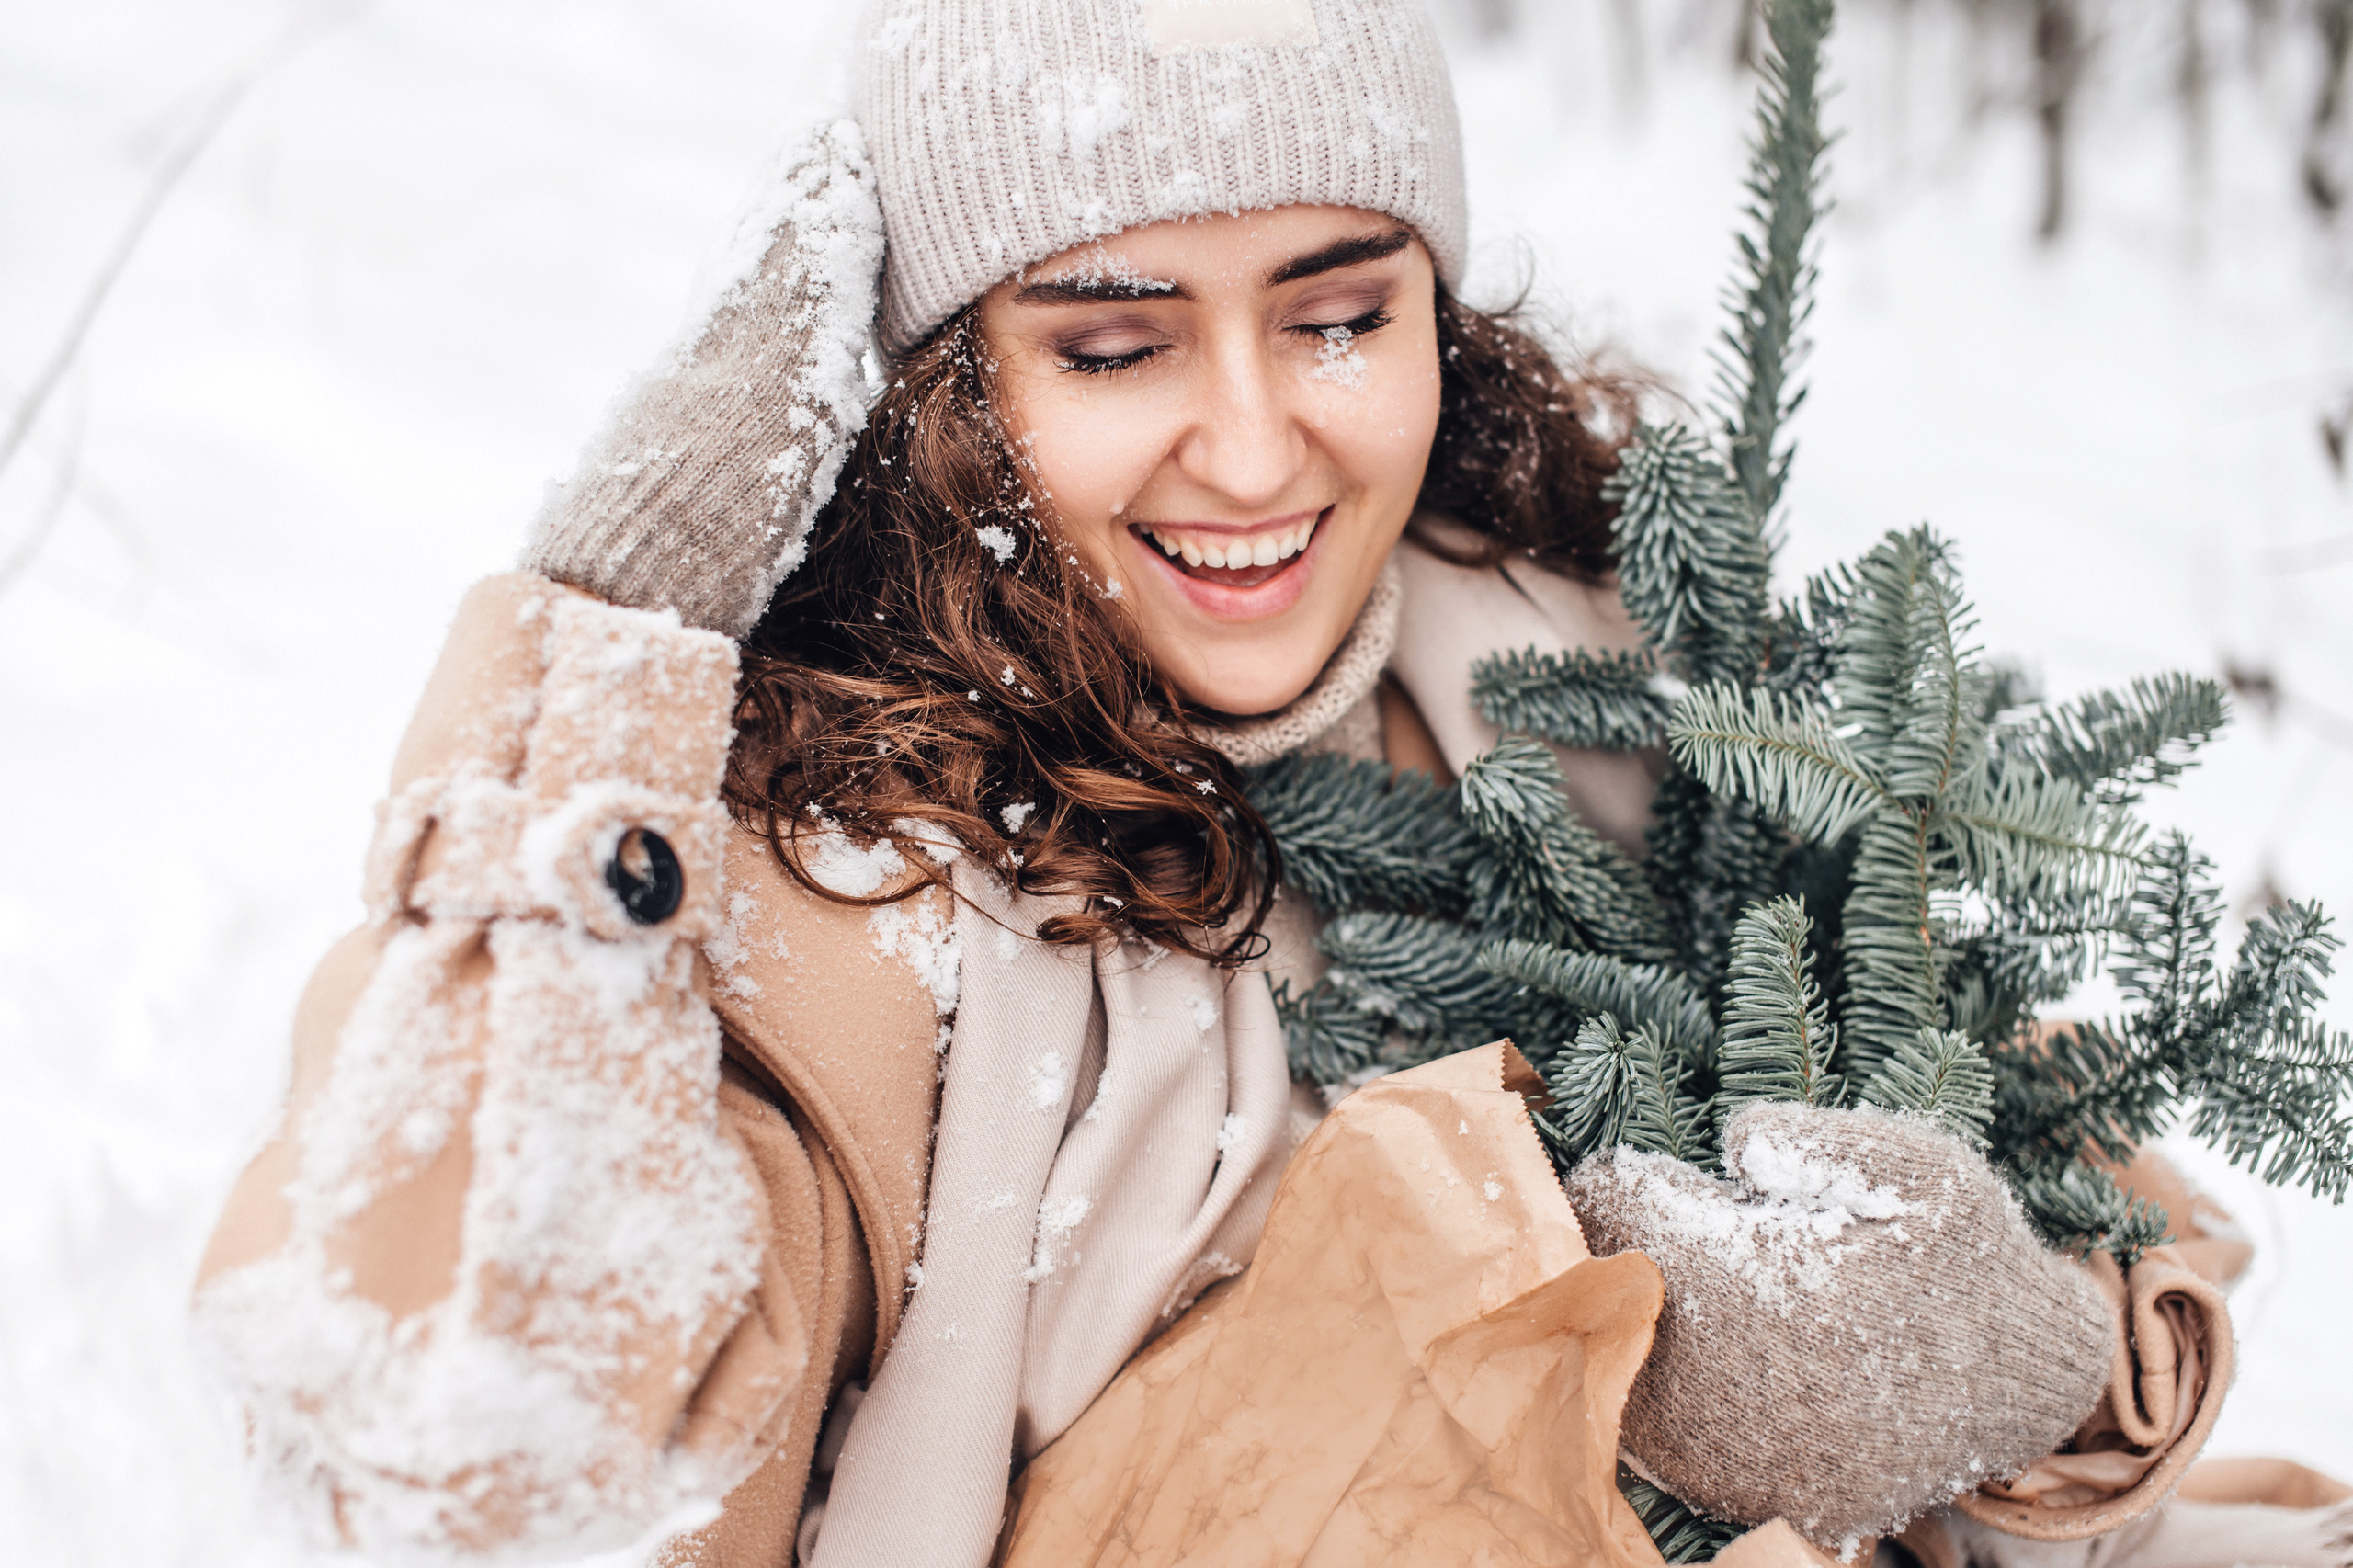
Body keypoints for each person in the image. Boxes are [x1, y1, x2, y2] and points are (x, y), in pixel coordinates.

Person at [191, 3, 2349, 1565]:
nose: (1252, 451)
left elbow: (2105, 1240)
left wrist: (1998, 1350)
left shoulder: (1583, 680)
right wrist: (601, 661)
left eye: (1335, 316)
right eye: (1114, 346)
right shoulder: (825, 917)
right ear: (949, 390)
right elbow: (465, 1448)